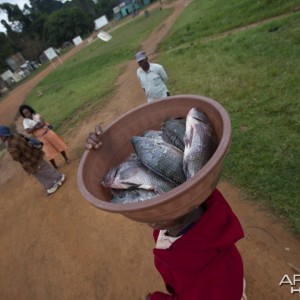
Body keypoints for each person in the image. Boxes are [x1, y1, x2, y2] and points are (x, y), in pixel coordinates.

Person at [84, 125, 247, 300]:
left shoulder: (204, 274)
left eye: (154, 212)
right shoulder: (203, 208)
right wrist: (104, 148)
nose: (148, 215)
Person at [0, 125, 65, 195]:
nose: (0, 138)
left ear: (4, 135)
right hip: (35, 154)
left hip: (30, 162)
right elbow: (25, 138)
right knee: (46, 168)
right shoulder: (15, 135)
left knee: (41, 174)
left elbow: (16, 157)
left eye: (0, 136)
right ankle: (60, 177)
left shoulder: (11, 145)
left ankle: (52, 186)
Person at [19, 104, 71, 169]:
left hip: (48, 133)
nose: (27, 114)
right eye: (25, 114)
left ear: (30, 110)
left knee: (59, 145)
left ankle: (66, 159)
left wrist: (33, 128)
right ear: (23, 115)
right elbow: (28, 131)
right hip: (40, 138)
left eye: (28, 112)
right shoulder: (25, 122)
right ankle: (55, 166)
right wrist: (37, 124)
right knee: (48, 152)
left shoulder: (36, 115)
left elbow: (43, 124)